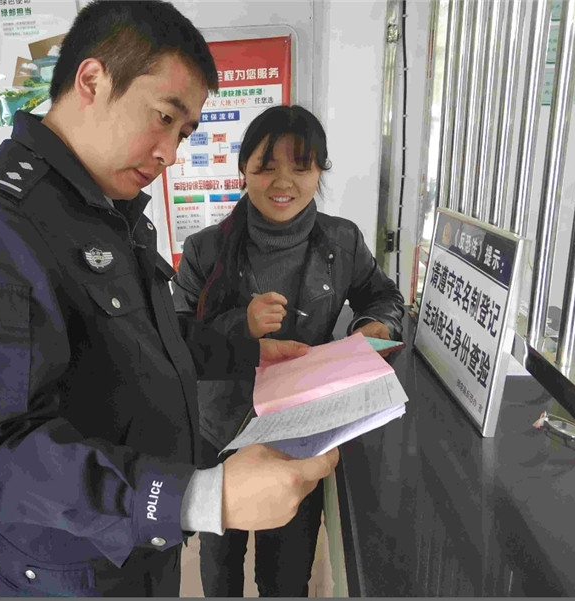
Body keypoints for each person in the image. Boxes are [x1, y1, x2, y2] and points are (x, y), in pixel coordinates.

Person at [0, 3, 340, 597]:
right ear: (92, 80)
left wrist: (248, 353)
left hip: (144, 538)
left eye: (184, 133)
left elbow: (146, 338)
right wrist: (200, 496)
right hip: (76, 566)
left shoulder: (105, 204)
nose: (170, 153)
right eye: (163, 118)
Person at [172, 104, 405, 597]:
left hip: (302, 433)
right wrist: (241, 324)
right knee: (220, 569)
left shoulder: (342, 241)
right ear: (244, 170)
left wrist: (373, 327)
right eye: (266, 166)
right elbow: (174, 337)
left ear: (320, 171)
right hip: (220, 433)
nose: (284, 182)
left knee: (287, 574)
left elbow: (384, 297)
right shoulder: (204, 250)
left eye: (301, 167)